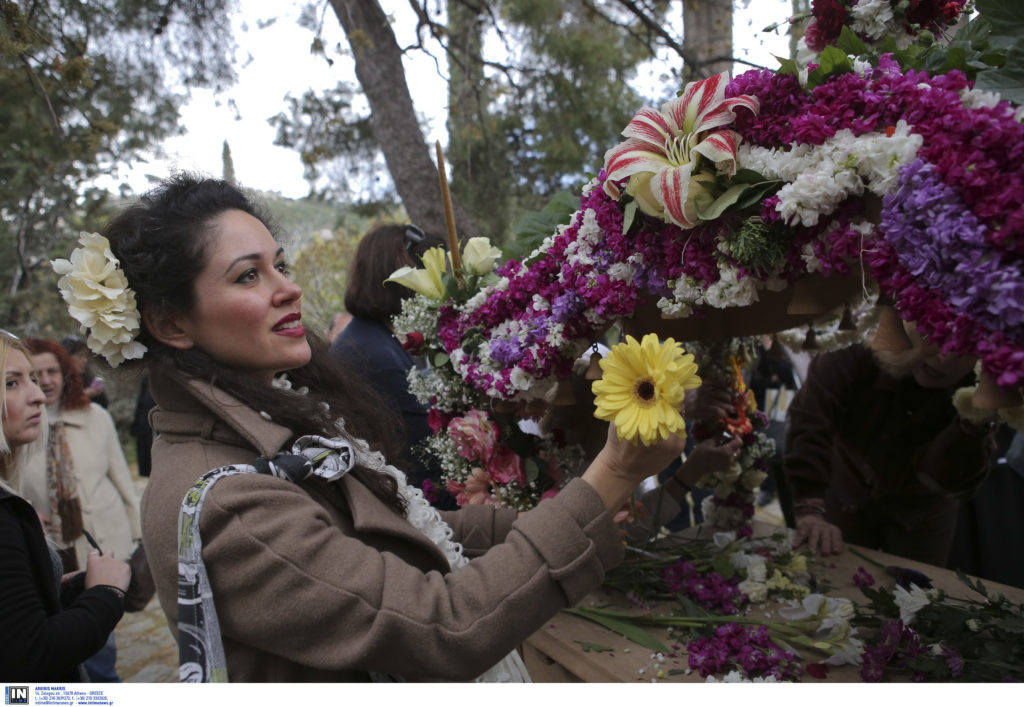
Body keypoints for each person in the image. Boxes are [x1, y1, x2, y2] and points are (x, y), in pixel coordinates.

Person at [68, 174, 687, 682]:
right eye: (248, 275)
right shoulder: (225, 502)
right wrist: (610, 477)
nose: (290, 288)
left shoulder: (264, 418)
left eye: (280, 265)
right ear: (172, 325)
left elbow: (400, 532)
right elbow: (440, 627)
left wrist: (566, 513)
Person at [783, 324, 994, 566]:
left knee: (917, 594)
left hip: (922, 511)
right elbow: (810, 417)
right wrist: (809, 507)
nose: (945, 359)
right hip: (846, 490)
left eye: (965, 350)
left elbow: (946, 480)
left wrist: (971, 428)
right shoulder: (859, 345)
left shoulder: (980, 386)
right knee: (835, 581)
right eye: (936, 336)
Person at [0, 330, 131, 682]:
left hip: (97, 543)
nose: (38, 392)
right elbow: (32, 654)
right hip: (55, 544)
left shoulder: (96, 419)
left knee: (103, 658)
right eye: (13, 382)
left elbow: (121, 479)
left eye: (42, 375)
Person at [329, 223, 456, 508]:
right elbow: (425, 456)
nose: (437, 286)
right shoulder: (374, 355)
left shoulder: (373, 339)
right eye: (427, 272)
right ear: (396, 276)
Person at [61, 336, 109, 409]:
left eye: (85, 356)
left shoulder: (86, 377)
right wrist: (85, 394)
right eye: (80, 355)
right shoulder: (59, 380)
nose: (85, 360)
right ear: (67, 357)